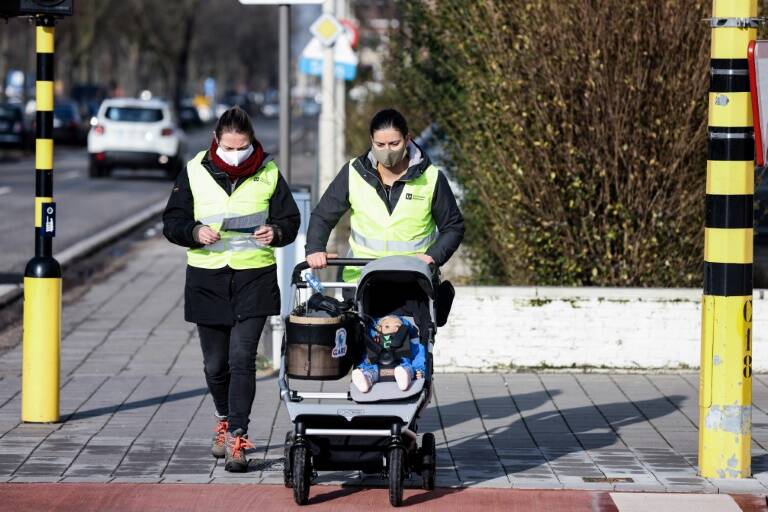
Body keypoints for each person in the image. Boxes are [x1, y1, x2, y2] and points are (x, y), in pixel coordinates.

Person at [163, 106, 299, 472]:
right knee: (215, 365)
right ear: (216, 141)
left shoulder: (268, 172)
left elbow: (290, 219)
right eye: (228, 146)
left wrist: (277, 232)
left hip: (254, 278)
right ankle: (224, 417)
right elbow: (172, 221)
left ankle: (238, 436)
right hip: (207, 279)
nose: (236, 154)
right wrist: (193, 232)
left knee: (242, 359)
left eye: (242, 147)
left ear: (251, 142)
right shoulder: (194, 170)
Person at [305, 108, 464, 282]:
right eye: (380, 145)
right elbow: (323, 215)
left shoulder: (431, 178)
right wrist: (315, 248)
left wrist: (432, 257)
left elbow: (452, 226)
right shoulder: (353, 172)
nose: (387, 151)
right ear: (371, 141)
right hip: (361, 278)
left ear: (407, 139)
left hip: (413, 280)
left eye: (394, 144)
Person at [352, 315, 426, 392]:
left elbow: (418, 356)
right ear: (379, 329)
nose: (393, 329)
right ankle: (365, 380)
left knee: (407, 369)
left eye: (398, 326)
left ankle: (405, 378)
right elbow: (365, 358)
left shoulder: (408, 343)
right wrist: (361, 367)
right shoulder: (373, 343)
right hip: (376, 368)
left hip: (401, 365)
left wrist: (419, 370)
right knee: (370, 370)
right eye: (387, 326)